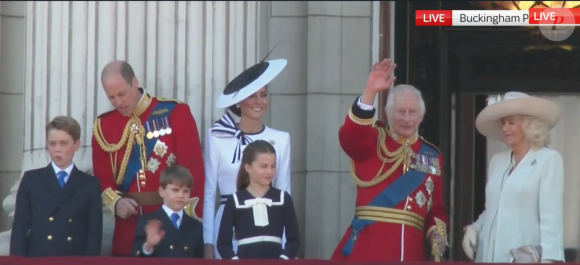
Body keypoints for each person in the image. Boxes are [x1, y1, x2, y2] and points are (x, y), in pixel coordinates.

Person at [331, 59, 448, 262]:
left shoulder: (431, 156)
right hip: (368, 249)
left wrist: (437, 235)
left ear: (422, 116)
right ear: (387, 112)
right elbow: (349, 136)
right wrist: (369, 92)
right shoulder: (373, 142)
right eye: (400, 111)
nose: (406, 118)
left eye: (412, 112)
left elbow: (435, 209)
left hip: (411, 253)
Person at [92, 60, 205, 256]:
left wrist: (185, 223)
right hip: (128, 227)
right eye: (111, 97)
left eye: (122, 94)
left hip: (169, 223)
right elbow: (102, 178)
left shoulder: (175, 113)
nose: (118, 102)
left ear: (134, 82)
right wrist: (117, 202)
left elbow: (193, 172)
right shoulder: (104, 126)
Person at [203, 58, 292, 259]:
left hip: (268, 226)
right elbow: (209, 194)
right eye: (252, 95)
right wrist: (207, 242)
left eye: (263, 95)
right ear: (239, 101)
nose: (259, 102)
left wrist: (287, 248)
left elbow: (285, 194)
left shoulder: (281, 139)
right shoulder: (217, 136)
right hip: (227, 224)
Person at [462, 92, 564, 263]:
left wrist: (550, 259)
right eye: (503, 123)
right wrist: (475, 228)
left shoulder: (548, 159)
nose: (504, 128)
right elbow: (493, 209)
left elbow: (551, 217)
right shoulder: (498, 161)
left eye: (511, 123)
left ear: (528, 125)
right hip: (488, 256)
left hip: (524, 258)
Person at [10, 116, 103, 257]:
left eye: (64, 143)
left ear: (76, 145)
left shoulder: (89, 184)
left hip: (74, 259)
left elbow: (94, 234)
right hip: (39, 258)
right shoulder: (32, 179)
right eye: (52, 144)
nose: (57, 149)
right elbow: (20, 228)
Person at [216, 140, 300, 259]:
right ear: (248, 167)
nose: (270, 172)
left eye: (273, 166)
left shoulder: (283, 198)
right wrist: (234, 260)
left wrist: (283, 259)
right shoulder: (234, 200)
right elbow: (223, 243)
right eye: (263, 166)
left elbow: (294, 240)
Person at [131, 165, 204, 258]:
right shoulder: (147, 221)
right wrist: (148, 245)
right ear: (162, 191)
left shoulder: (196, 226)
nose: (181, 195)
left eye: (185, 191)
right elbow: (135, 258)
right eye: (175, 190)